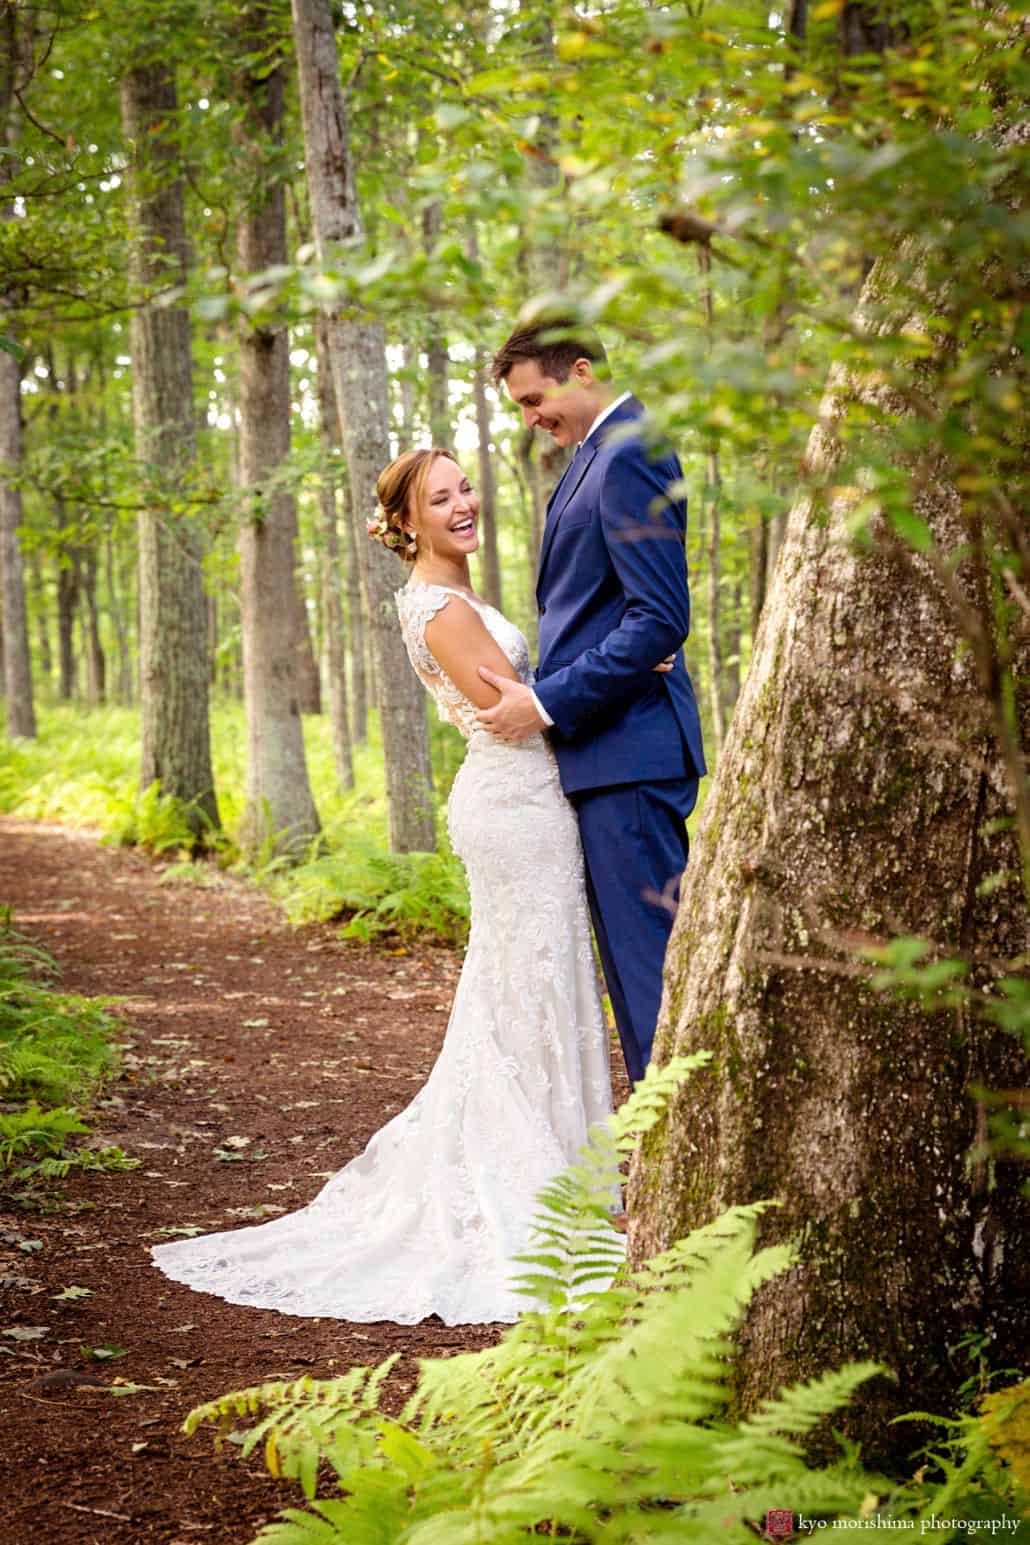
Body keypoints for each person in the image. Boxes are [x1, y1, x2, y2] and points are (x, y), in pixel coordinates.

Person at [150, 446, 628, 1326]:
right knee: (525, 983)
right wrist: (627, 672)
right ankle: (536, 1190)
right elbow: (521, 706)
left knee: (533, 982)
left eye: (466, 488)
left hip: (523, 801)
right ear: (405, 524)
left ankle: (566, 1177)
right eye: (440, 499)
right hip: (516, 807)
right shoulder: (441, 606)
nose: (463, 505)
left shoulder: (450, 598)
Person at [478, 318, 705, 1086]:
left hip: (631, 757)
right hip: (605, 757)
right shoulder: (593, 456)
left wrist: (544, 703)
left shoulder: (632, 451)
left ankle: (683, 1163)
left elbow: (658, 619)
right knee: (637, 983)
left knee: (653, 985)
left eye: (535, 398)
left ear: (581, 370)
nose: (530, 418)